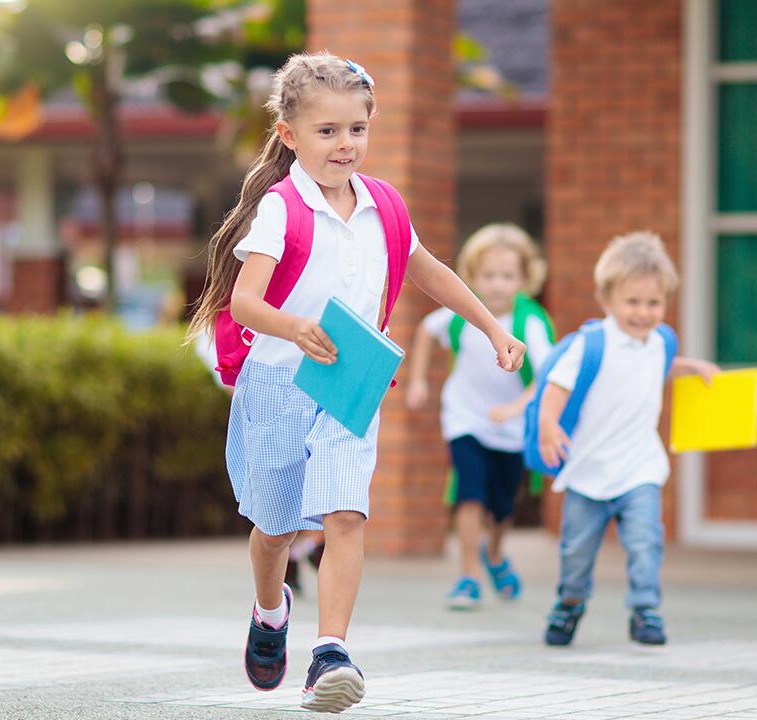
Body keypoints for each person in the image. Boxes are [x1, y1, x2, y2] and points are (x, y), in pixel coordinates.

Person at [185, 52, 525, 713]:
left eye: (357, 129)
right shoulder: (283, 209)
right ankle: (269, 610)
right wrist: (293, 327)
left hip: (348, 386)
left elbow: (431, 273)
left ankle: (330, 653)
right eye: (328, 131)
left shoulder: (384, 206)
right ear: (289, 136)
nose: (346, 145)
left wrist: (491, 327)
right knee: (275, 530)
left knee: (346, 514)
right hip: (278, 383)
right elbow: (246, 302)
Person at [535, 231, 718, 647]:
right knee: (576, 551)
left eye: (653, 303)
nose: (643, 313)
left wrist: (692, 368)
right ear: (607, 299)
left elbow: (661, 367)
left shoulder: (660, 343)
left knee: (645, 541)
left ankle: (645, 609)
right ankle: (570, 602)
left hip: (640, 468)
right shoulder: (591, 343)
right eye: (632, 302)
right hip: (588, 470)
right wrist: (548, 425)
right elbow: (556, 388)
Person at [405, 223, 555, 610]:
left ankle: (495, 553)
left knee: (503, 505)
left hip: (511, 427)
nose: (498, 285)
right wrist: (418, 380)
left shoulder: (532, 322)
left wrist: (515, 408)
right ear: (472, 276)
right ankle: (468, 575)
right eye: (488, 275)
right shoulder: (462, 313)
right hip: (465, 418)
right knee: (470, 493)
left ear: (525, 278)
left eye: (508, 276)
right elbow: (424, 331)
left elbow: (549, 377)